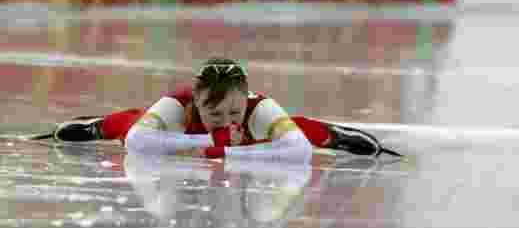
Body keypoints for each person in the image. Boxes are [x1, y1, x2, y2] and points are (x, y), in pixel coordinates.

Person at [37, 57, 401, 162]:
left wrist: (222, 149)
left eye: (233, 113)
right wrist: (212, 144)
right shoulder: (178, 103)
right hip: (178, 130)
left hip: (237, 136)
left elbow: (297, 150)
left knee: (298, 128)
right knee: (131, 122)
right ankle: (96, 125)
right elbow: (138, 142)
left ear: (246, 100)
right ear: (196, 102)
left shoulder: (257, 106)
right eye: (216, 115)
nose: (226, 121)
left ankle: (337, 135)